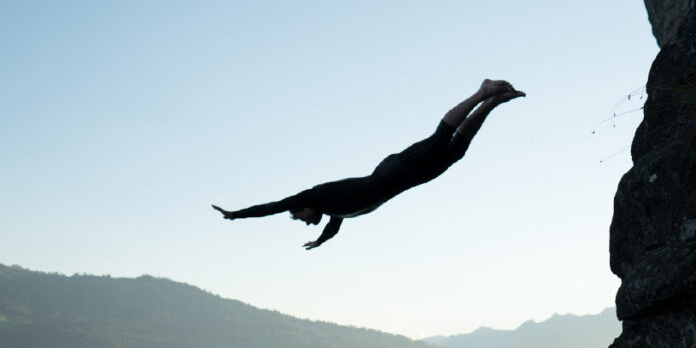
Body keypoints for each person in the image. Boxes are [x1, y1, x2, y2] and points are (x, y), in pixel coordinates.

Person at [212, 79, 525, 249]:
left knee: (441, 140)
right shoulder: (335, 211)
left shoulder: (315, 197)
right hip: (405, 179)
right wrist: (319, 242)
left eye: (299, 218)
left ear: (302, 207)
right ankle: (494, 102)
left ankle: (482, 92)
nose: (304, 221)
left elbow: (273, 206)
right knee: (454, 152)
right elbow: (334, 228)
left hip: (397, 171)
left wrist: (236, 215)